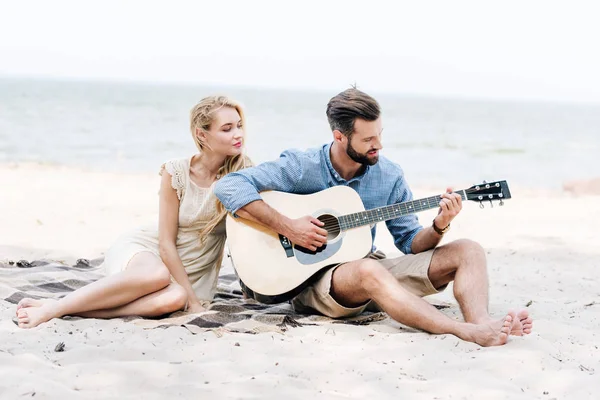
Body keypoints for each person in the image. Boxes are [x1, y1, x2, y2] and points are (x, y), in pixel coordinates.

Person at [214, 88, 533, 347]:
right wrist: (289, 227)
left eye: (379, 134)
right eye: (368, 139)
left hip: (366, 271)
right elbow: (230, 185)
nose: (378, 145)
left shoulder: (389, 175)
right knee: (368, 269)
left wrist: (439, 225)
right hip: (312, 283)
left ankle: (482, 325)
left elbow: (410, 243)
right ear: (340, 137)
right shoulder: (303, 167)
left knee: (469, 250)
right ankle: (459, 331)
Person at [16, 95, 251, 328]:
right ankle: (54, 309)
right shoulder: (176, 172)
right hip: (149, 251)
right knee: (157, 276)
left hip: (193, 272)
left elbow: (250, 233)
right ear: (202, 135)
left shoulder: (244, 173)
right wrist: (192, 301)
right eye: (227, 129)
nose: (238, 134)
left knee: (175, 298)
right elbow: (165, 244)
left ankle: (73, 308)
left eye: (239, 126)